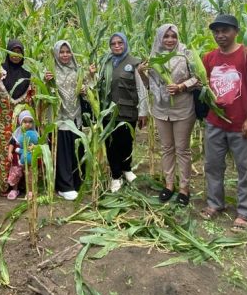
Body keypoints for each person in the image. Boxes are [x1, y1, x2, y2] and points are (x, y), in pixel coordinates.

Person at [201, 15, 247, 229]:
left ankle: (246, 212)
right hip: (215, 122)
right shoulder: (209, 57)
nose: (220, 35)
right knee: (212, 165)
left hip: (242, 123)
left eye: (225, 31)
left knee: (245, 168)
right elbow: (203, 84)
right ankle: (215, 204)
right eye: (216, 31)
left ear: (236, 31)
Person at [145, 24, 198, 206]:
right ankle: (169, 185)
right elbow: (148, 84)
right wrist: (140, 73)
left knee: (182, 149)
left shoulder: (186, 54)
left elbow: (198, 77)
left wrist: (181, 86)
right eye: (166, 36)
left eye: (173, 36)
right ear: (160, 37)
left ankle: (184, 188)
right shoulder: (154, 56)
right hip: (161, 109)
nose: (169, 40)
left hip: (183, 108)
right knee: (167, 148)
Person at [95, 32, 148, 193]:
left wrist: (143, 111)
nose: (117, 46)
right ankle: (115, 176)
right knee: (111, 145)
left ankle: (127, 168)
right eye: (113, 44)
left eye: (120, 43)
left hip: (128, 110)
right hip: (108, 112)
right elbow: (98, 85)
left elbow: (142, 88)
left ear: (125, 44)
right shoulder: (105, 63)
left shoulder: (135, 63)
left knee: (126, 142)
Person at [44, 40, 92, 201]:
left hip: (76, 117)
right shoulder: (51, 72)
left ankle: (76, 182)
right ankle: (64, 186)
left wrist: (86, 88)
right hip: (59, 118)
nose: (65, 55)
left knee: (76, 150)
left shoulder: (77, 70)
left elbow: (88, 88)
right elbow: (43, 93)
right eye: (61, 52)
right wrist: (45, 81)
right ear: (56, 54)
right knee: (62, 152)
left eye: (67, 52)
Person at [0, 39, 34, 194]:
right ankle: (4, 185)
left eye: (19, 52)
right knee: (4, 151)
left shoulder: (28, 74)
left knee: (23, 149)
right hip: (3, 122)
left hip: (23, 123)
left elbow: (34, 98)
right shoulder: (0, 72)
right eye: (12, 51)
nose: (15, 55)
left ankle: (21, 186)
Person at [5, 110, 39, 200]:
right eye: (25, 122)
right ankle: (14, 190)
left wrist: (34, 147)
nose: (27, 124)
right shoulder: (17, 132)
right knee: (15, 172)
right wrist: (9, 153)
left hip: (29, 159)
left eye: (30, 122)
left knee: (30, 174)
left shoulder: (34, 133)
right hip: (17, 157)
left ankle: (30, 191)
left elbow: (39, 144)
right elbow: (12, 143)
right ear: (20, 122)